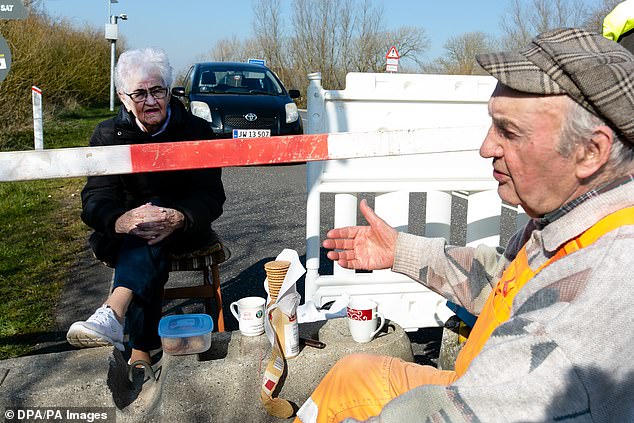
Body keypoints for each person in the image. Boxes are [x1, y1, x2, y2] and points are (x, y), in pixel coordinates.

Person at [295, 28, 634, 422]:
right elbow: (503, 284)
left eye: (508, 131)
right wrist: (399, 251)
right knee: (351, 376)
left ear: (590, 151)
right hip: (472, 381)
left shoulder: (586, 312)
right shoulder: (572, 217)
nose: (486, 147)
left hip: (473, 401)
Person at [65, 48, 225, 366]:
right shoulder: (107, 135)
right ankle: (132, 340)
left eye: (158, 91)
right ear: (124, 98)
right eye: (140, 93)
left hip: (186, 228)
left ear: (168, 90)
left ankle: (123, 327)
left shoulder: (197, 131)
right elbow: (94, 199)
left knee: (155, 216)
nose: (151, 101)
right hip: (124, 233)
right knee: (146, 225)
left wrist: (180, 217)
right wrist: (121, 219)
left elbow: (211, 195)